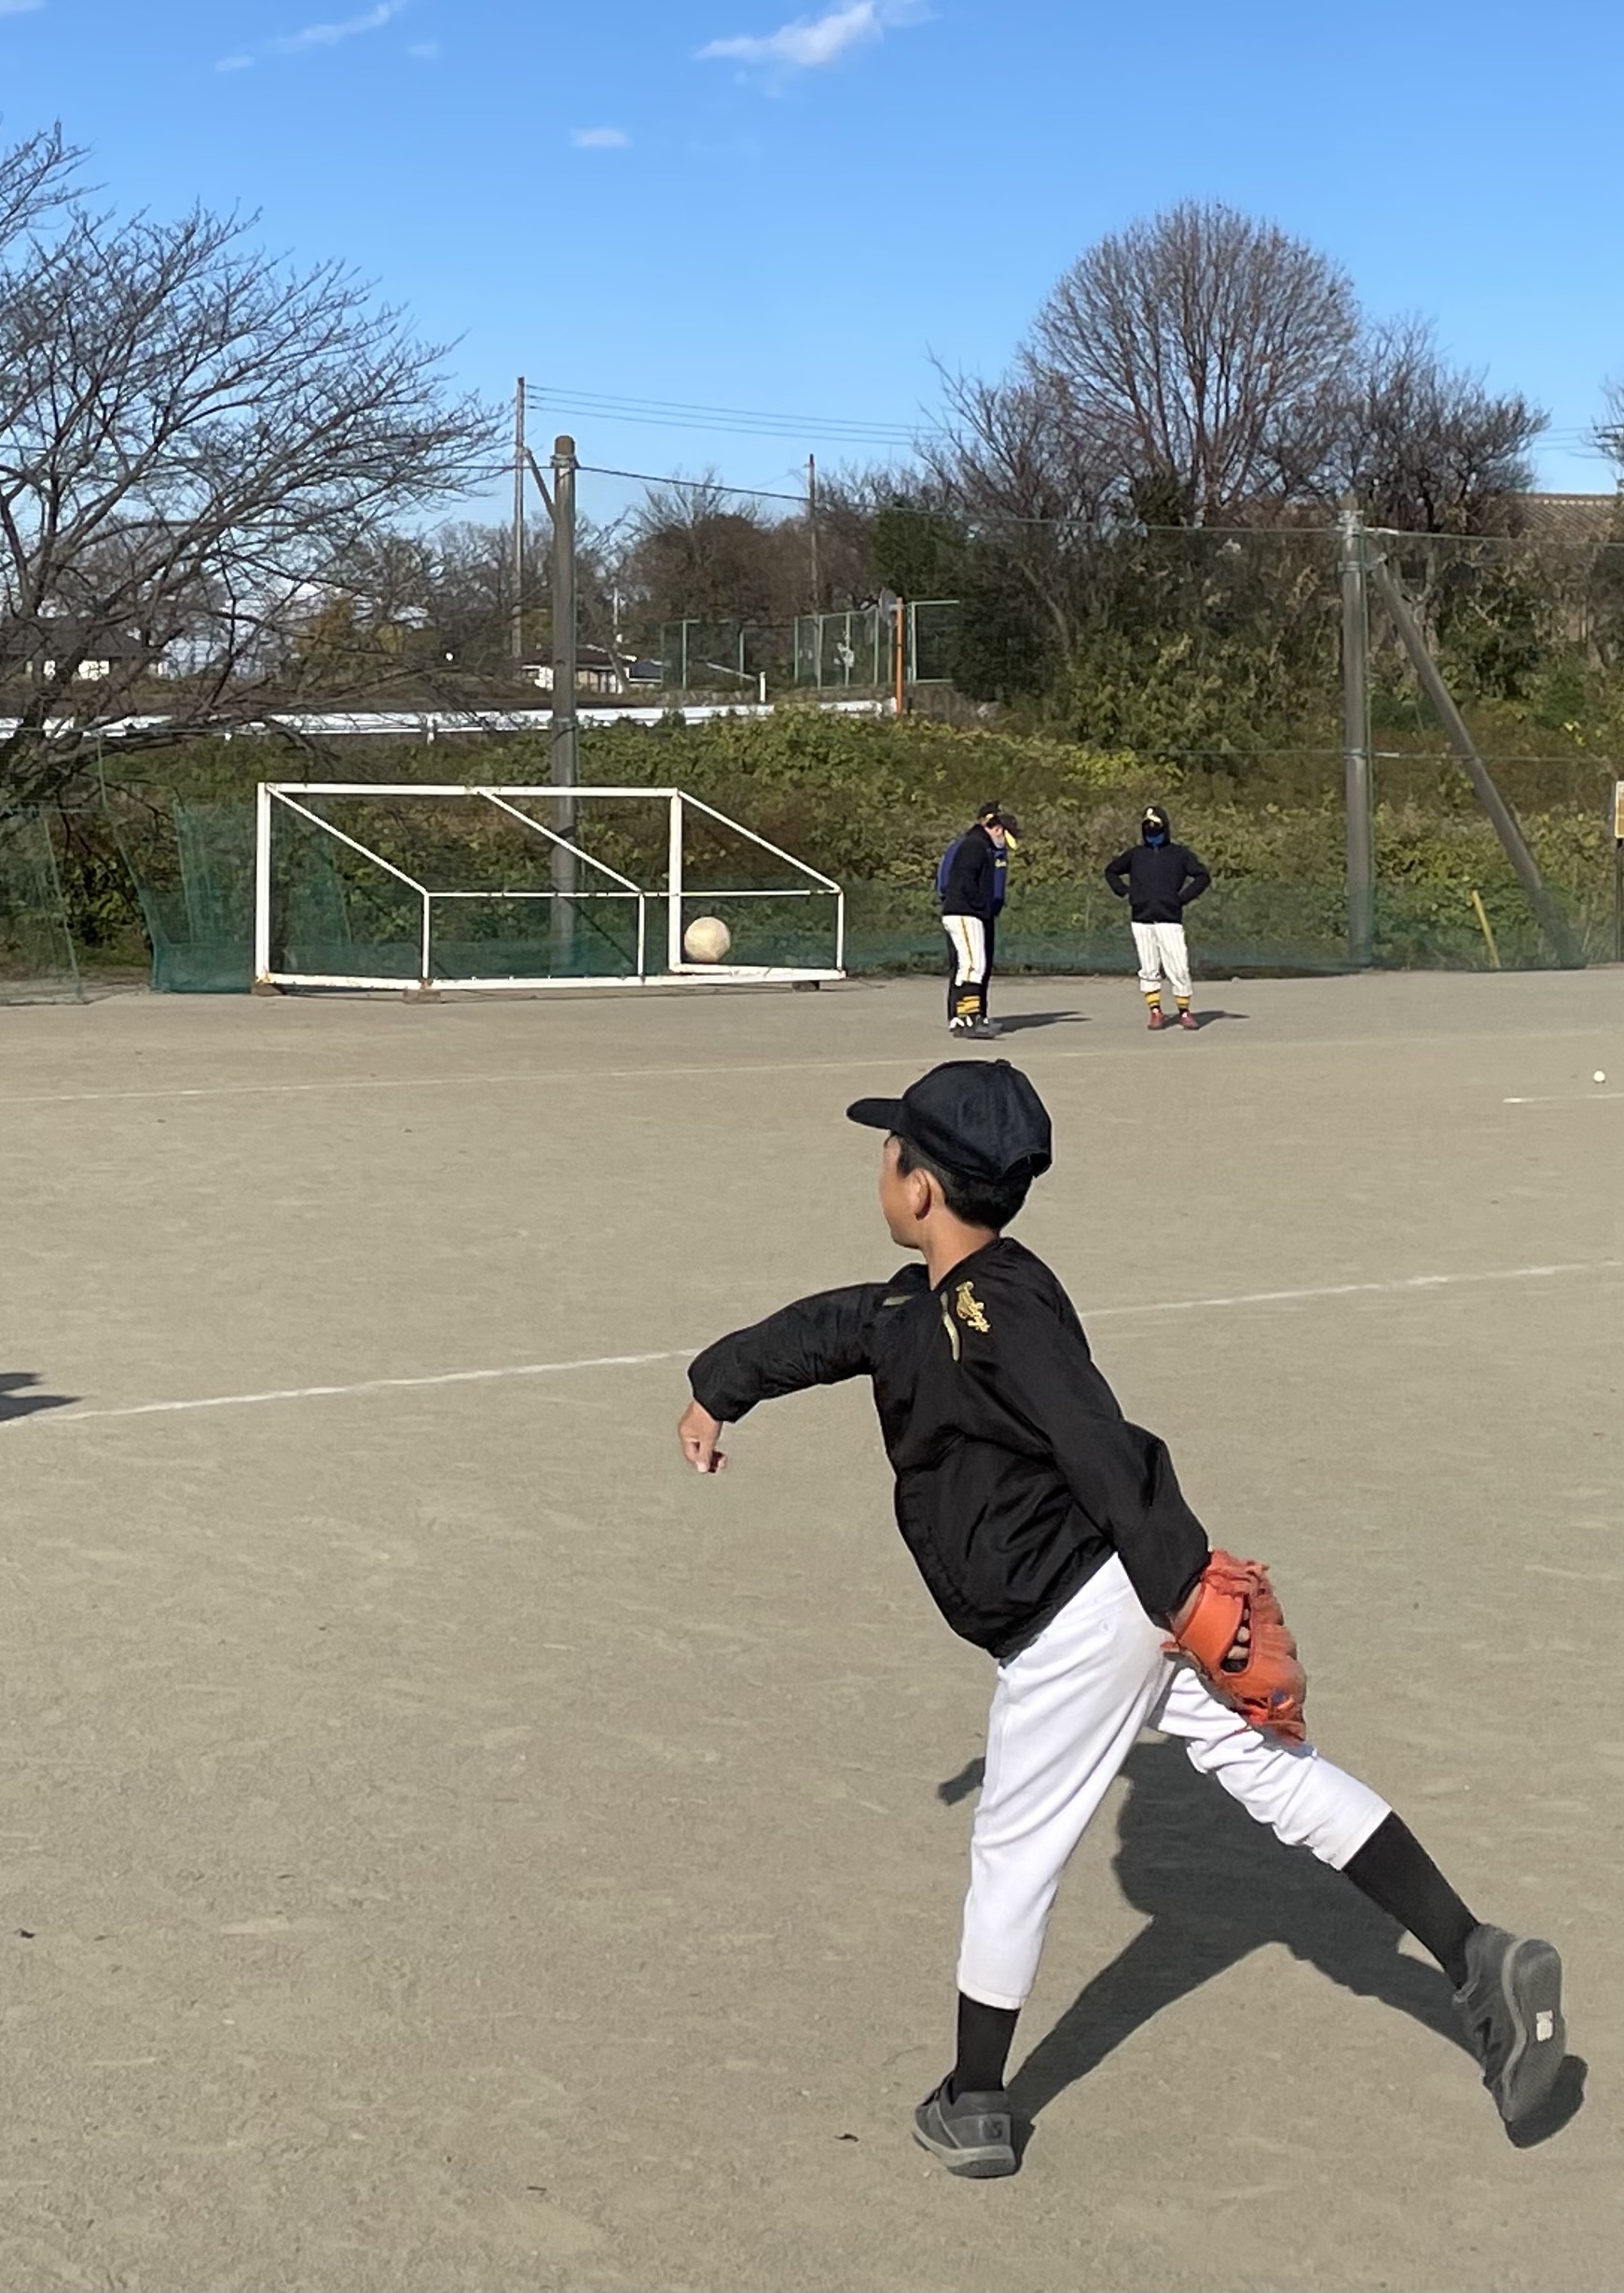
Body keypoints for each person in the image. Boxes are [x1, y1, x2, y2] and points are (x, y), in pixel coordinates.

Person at [671, 1059, 1567, 2178]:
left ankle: (976, 2099)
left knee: (1013, 1855)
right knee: (1278, 1773)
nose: (882, 1161)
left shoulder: (1004, 1310)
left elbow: (1100, 1442)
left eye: (892, 1146)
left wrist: (1188, 1586)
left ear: (920, 1190)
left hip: (1082, 1616)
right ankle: (1478, 1954)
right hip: (1123, 1601)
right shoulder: (933, 1304)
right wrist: (721, 1383)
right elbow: (832, 1326)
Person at [1104, 805, 1211, 1029]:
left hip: (1169, 918)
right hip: (1141, 919)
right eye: (1148, 827)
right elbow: (1111, 871)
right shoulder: (1135, 855)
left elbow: (1202, 876)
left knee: (1178, 967)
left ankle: (1184, 1011)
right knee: (1148, 968)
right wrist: (1125, 892)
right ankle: (1155, 1011)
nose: (1152, 831)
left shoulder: (1179, 854)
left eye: (1156, 827)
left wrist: (1181, 898)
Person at [937, 803, 1015, 1040]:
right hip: (966, 912)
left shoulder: (979, 846)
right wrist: (981, 905)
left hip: (968, 912)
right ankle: (968, 1018)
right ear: (998, 829)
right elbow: (962, 882)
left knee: (970, 967)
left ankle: (965, 1017)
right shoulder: (975, 846)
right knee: (972, 965)